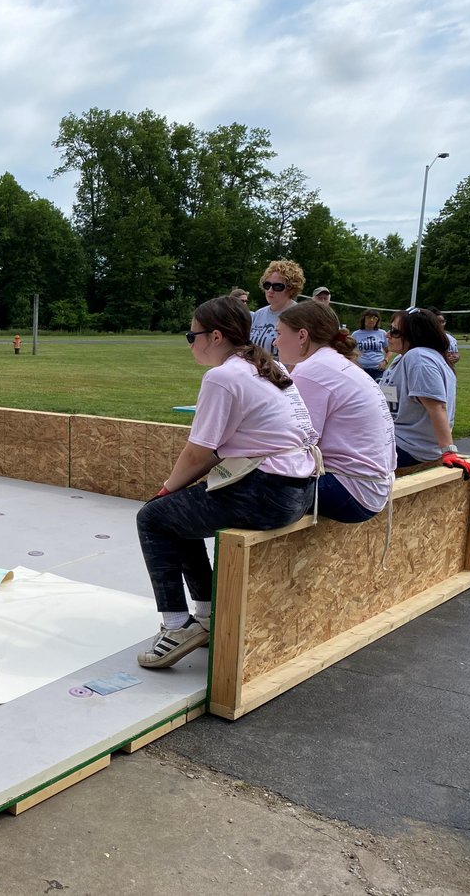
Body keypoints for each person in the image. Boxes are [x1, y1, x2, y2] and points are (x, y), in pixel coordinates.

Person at [135, 296, 319, 669]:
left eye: (192, 335)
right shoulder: (266, 367)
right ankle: (206, 615)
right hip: (300, 489)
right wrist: (175, 493)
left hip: (267, 491)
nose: (190, 342)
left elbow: (199, 453)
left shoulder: (222, 377)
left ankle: (176, 625)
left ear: (215, 337)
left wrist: (165, 491)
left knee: (153, 518)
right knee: (175, 516)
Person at [274, 302, 395, 523]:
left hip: (352, 491)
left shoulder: (312, 370)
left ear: (302, 336)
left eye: (279, 333)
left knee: (239, 491)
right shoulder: (336, 362)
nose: (275, 341)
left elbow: (294, 443)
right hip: (372, 487)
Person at [381, 309, 456, 469]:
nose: (388, 335)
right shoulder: (405, 357)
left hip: (409, 447)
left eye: (394, 332)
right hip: (401, 440)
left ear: (414, 334)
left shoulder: (419, 358)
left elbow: (437, 407)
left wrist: (449, 451)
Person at [250, 259, 304, 356]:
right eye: (267, 285)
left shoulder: (299, 315)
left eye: (277, 286)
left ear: (291, 289)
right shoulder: (258, 314)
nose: (270, 290)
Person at [351, 309, 389, 381]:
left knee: (378, 391)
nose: (371, 320)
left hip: (378, 370)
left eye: (374, 318)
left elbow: (389, 350)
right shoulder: (355, 334)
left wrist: (385, 361)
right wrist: (356, 365)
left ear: (377, 320)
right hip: (361, 370)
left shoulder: (382, 333)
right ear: (364, 319)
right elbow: (349, 353)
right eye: (369, 317)